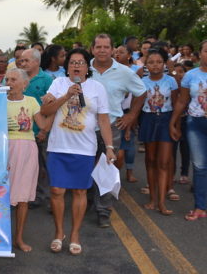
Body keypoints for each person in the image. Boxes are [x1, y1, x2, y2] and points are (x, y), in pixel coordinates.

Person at [41, 48, 114, 255]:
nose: (76, 66)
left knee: (80, 191)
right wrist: (66, 95)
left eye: (81, 62)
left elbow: (103, 119)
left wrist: (109, 147)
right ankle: (59, 233)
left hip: (84, 148)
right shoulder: (58, 84)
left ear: (87, 67)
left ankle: (74, 235)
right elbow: (45, 111)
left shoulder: (97, 87)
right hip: (58, 146)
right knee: (57, 191)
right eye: (72, 62)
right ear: (67, 66)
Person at [90, 33, 146, 228]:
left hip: (112, 125)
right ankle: (89, 200)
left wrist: (131, 116)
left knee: (107, 168)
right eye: (99, 47)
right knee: (87, 166)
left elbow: (142, 93)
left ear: (112, 49)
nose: (102, 50)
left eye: (106, 47)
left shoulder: (124, 72)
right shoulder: (82, 69)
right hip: (84, 127)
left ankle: (103, 210)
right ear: (92, 49)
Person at [5, 68, 47, 252]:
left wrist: (54, 106)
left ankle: (18, 239)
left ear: (24, 84)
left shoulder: (31, 101)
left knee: (23, 198)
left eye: (14, 79)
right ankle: (0, 238)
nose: (10, 82)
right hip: (4, 150)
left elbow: (43, 125)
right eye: (7, 79)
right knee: (1, 196)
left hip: (27, 151)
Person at [170, 40, 207, 221]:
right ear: (200, 54)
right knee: (199, 166)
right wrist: (174, 123)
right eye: (206, 51)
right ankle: (200, 207)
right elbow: (182, 101)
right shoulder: (190, 76)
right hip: (196, 124)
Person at [139, 48, 178, 215]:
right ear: (146, 64)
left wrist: (176, 126)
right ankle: (153, 199)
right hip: (148, 119)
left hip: (166, 120)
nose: (155, 65)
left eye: (159, 62)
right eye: (151, 62)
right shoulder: (141, 81)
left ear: (164, 64)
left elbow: (177, 106)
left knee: (163, 162)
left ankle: (162, 203)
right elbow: (137, 105)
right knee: (150, 159)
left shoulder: (172, 81)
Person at [20, 48, 53, 205]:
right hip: (22, 133)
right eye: (21, 60)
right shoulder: (18, 78)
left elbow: (52, 107)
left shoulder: (47, 79)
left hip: (41, 130)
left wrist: (44, 130)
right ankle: (27, 197)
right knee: (27, 167)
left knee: (45, 166)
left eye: (26, 60)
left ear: (37, 62)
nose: (22, 63)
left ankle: (47, 198)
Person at [114, 45, 140, 182]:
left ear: (129, 55)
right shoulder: (111, 71)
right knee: (117, 151)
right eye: (116, 52)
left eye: (121, 52)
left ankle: (129, 171)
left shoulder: (133, 72)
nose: (117, 54)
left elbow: (138, 94)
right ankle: (113, 176)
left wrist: (133, 115)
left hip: (127, 111)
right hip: (113, 113)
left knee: (128, 144)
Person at [170, 63, 190, 185]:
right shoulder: (172, 89)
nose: (178, 75)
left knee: (186, 148)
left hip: (187, 120)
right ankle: (171, 173)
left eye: (181, 72)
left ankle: (184, 173)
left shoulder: (189, 89)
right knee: (172, 149)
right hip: (173, 120)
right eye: (175, 72)